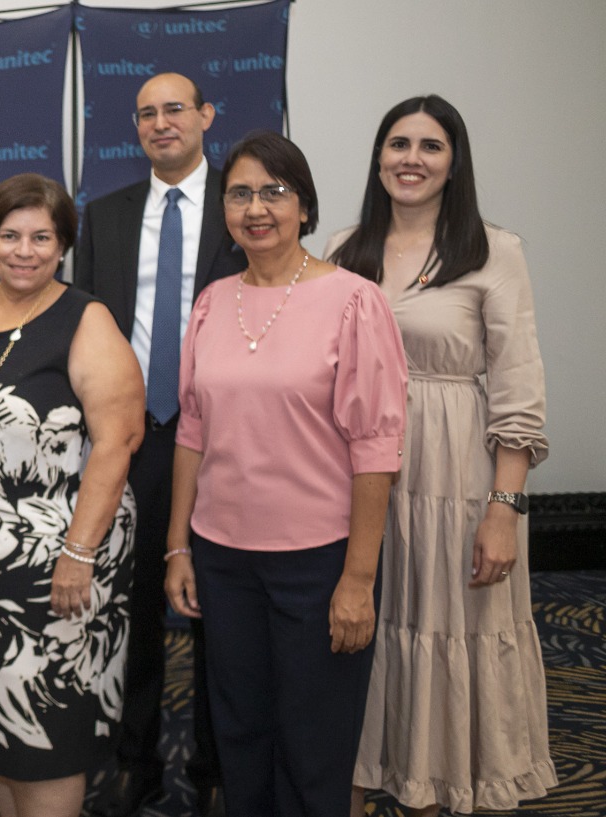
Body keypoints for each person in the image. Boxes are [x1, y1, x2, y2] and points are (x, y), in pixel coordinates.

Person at [163, 131, 408, 817]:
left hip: (318, 561)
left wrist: (358, 579)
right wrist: (178, 546)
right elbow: (192, 432)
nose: (256, 208)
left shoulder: (354, 301)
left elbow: (376, 448)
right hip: (223, 557)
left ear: (304, 205)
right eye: (239, 194)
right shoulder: (212, 302)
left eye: (274, 191)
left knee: (312, 743)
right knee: (240, 732)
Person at [327, 96, 555, 816]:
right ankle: (357, 777)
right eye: (399, 143)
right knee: (368, 631)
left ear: (454, 164)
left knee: (445, 631)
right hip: (358, 475)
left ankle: (436, 787)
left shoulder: (493, 250)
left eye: (431, 146)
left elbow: (518, 389)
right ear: (379, 157)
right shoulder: (343, 249)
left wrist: (503, 510)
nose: (412, 159)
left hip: (453, 477)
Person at [0, 173, 145, 817]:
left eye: (42, 237)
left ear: (64, 245)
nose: (25, 251)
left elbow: (118, 441)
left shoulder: (85, 319)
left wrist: (78, 554)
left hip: (55, 566)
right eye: (10, 235)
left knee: (45, 739)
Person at [74, 71, 237, 817]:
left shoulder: (243, 207)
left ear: (206, 116)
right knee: (130, 612)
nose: (161, 122)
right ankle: (132, 764)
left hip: (226, 442)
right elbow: (87, 329)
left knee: (221, 611)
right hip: (134, 438)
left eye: (175, 109)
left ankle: (215, 766)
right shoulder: (104, 216)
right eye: (147, 113)